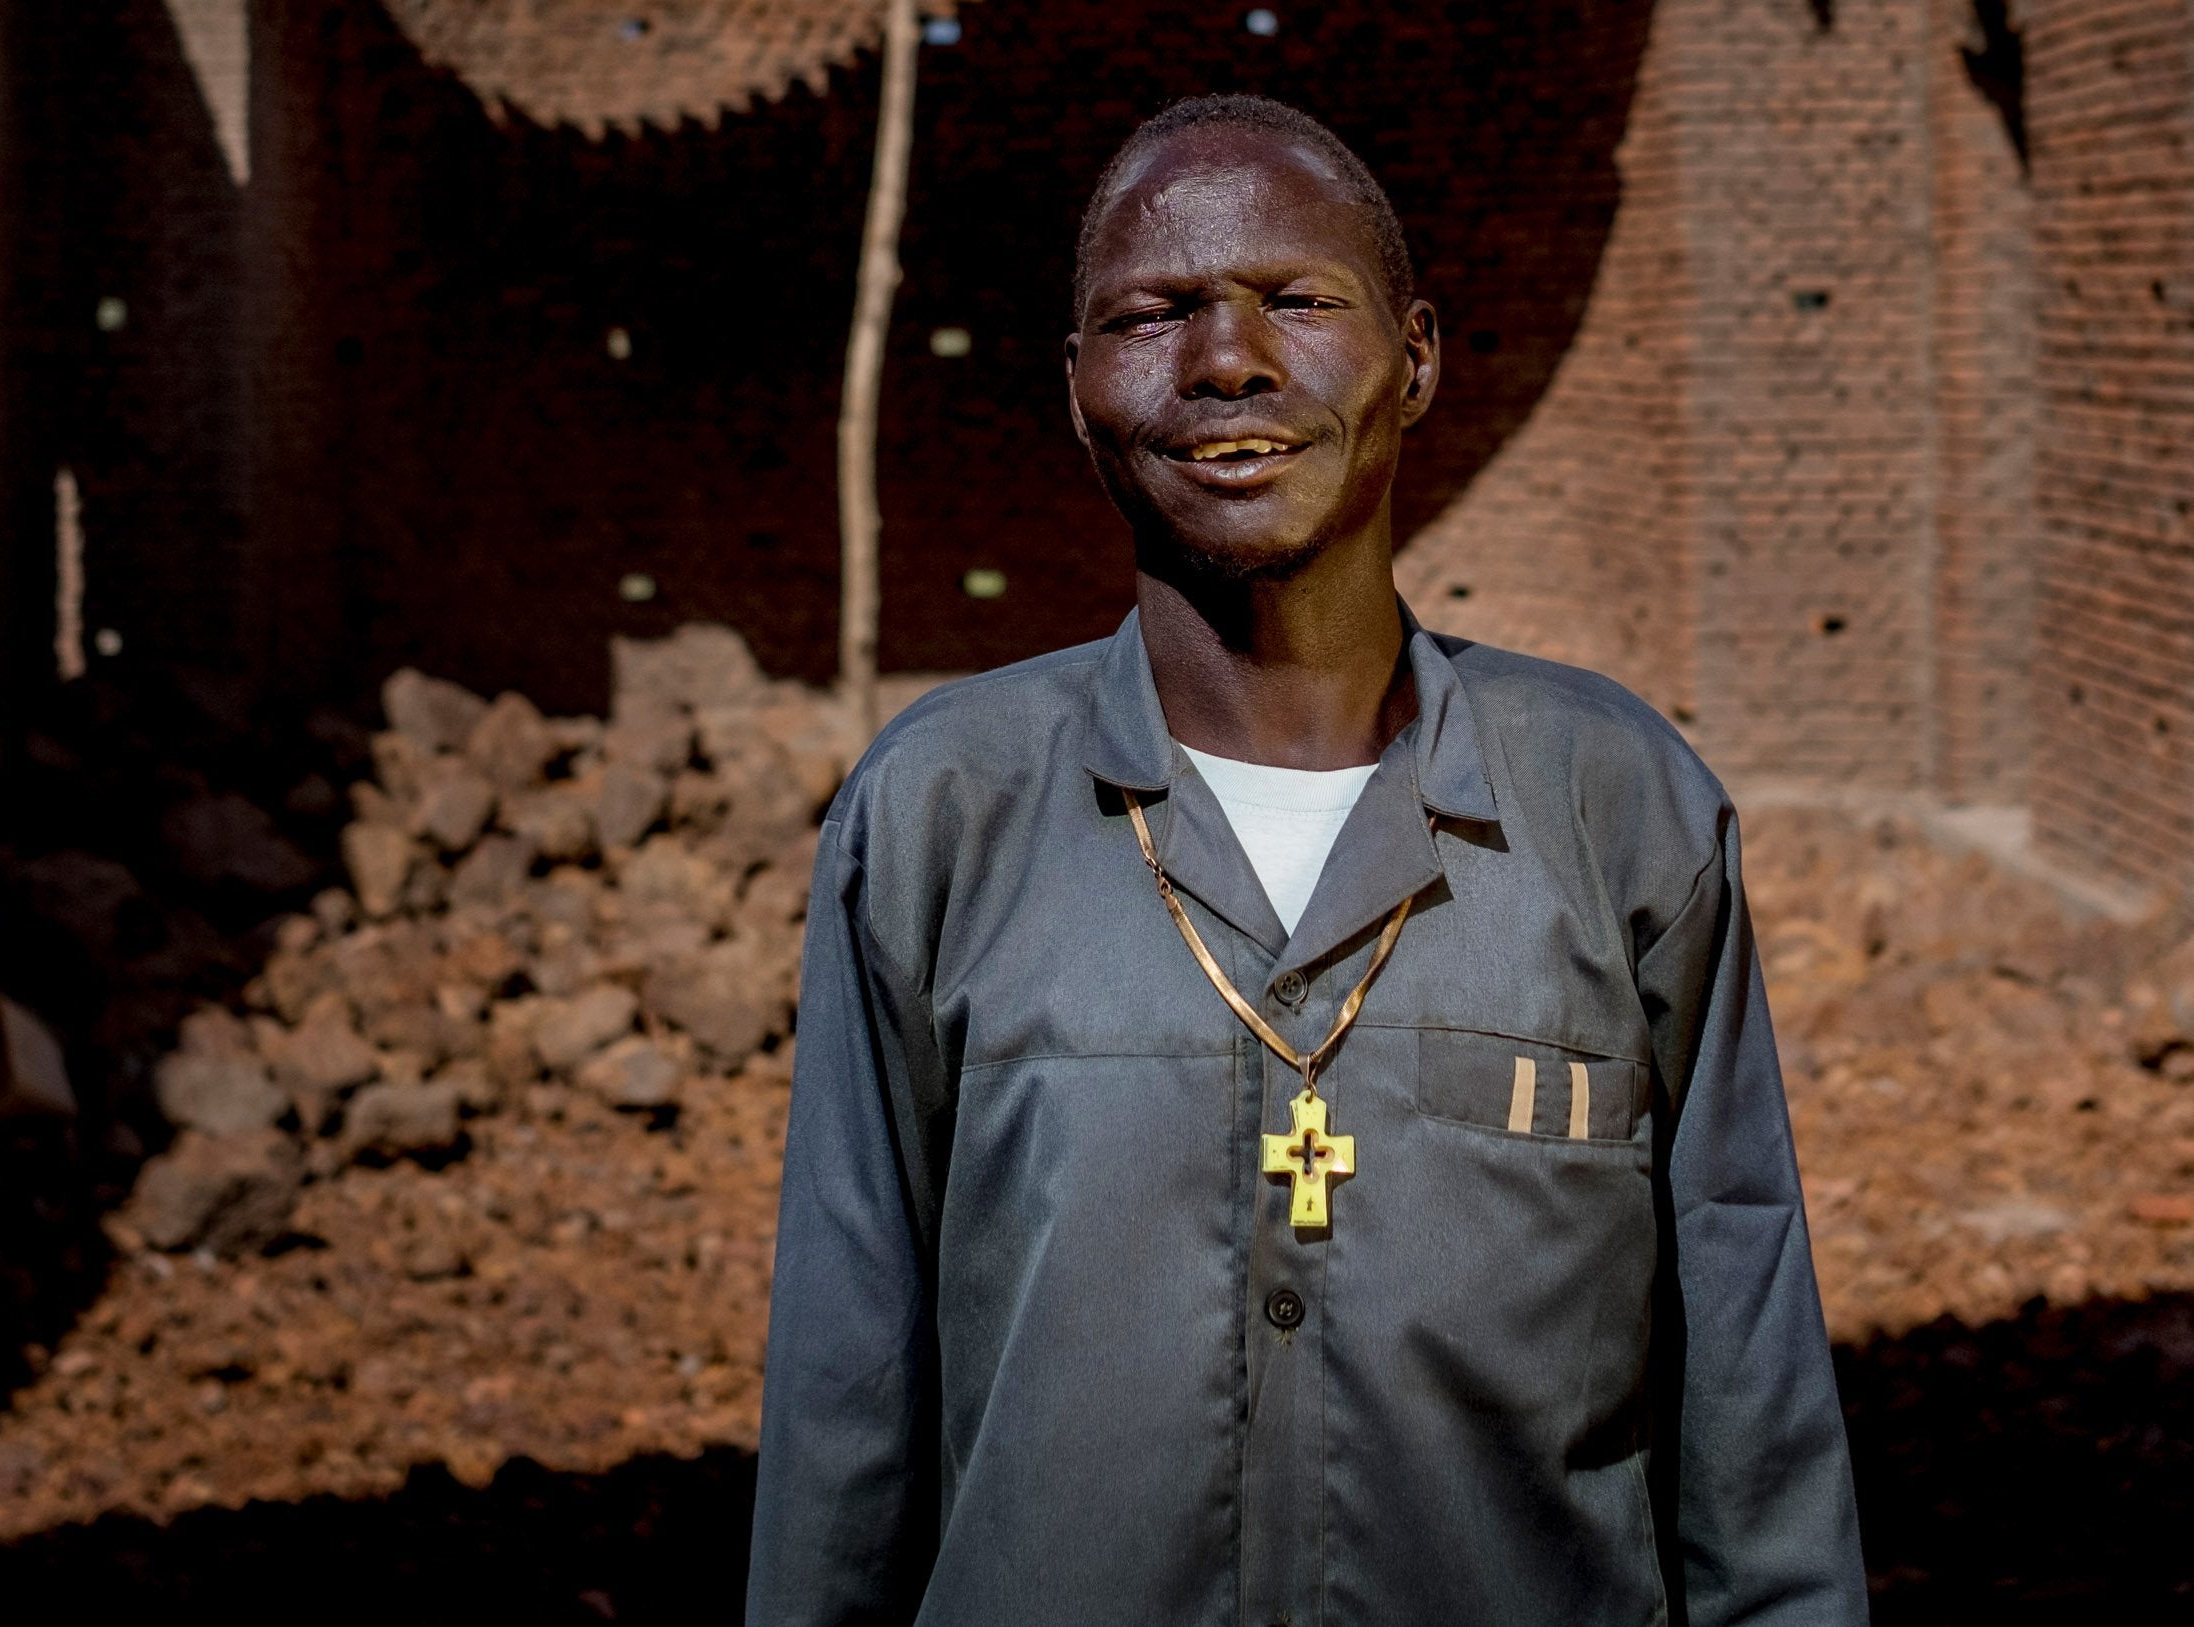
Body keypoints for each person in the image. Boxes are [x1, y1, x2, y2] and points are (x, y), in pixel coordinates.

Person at [747, 93, 1865, 1625]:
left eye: (1295, 301)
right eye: (1153, 315)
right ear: (1078, 391)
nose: (1227, 363)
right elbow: (843, 1388)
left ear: (1414, 359)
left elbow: (1752, 1390)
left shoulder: (1619, 807)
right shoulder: (944, 812)